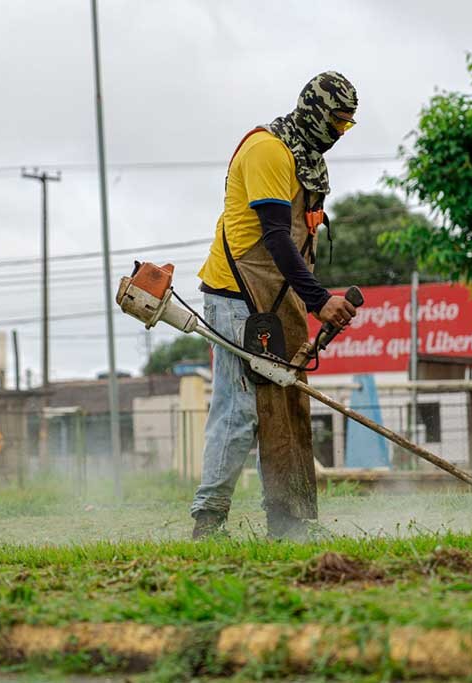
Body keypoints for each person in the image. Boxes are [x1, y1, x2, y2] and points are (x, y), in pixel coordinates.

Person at [191, 71, 360, 539]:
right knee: (240, 406)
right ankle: (208, 520)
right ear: (315, 114)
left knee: (286, 406)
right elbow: (275, 236)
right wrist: (320, 300)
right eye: (337, 123)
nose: (339, 135)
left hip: (276, 297)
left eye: (348, 127)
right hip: (236, 296)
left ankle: (289, 521)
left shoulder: (305, 159)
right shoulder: (269, 150)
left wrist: (310, 300)